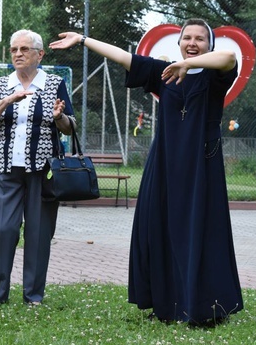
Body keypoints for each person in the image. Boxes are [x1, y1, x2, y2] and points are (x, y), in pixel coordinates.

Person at [50, 19, 244, 325]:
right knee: (159, 228)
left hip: (201, 165)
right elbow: (123, 57)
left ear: (209, 45)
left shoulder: (214, 76)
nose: (192, 43)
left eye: (200, 39)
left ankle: (204, 305)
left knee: (200, 230)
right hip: (164, 162)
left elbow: (230, 58)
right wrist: (83, 39)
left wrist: (188, 65)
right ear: (178, 42)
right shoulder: (162, 72)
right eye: (187, 38)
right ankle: (166, 304)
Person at [0, 29, 75, 305]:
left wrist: (59, 118)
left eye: (24, 49)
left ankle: (33, 296)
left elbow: (71, 125)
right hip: (6, 168)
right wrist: (7, 100)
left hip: (44, 170)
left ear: (40, 54)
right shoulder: (1, 84)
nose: (18, 54)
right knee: (1, 229)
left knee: (39, 233)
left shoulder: (55, 83)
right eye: (14, 50)